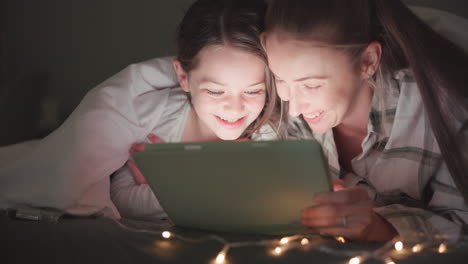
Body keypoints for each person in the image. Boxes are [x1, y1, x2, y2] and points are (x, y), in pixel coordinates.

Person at [0, 0, 283, 219]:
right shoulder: (156, 116)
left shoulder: (267, 132)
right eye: (215, 90)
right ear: (183, 77)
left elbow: (258, 203)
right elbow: (121, 199)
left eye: (253, 90)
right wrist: (208, 184)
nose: (235, 107)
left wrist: (168, 185)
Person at [262, 0, 468, 241]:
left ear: (367, 61)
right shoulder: (276, 113)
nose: (294, 108)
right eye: (280, 79)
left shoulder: (440, 110)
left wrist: (379, 228)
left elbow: (461, 230)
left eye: (312, 85)